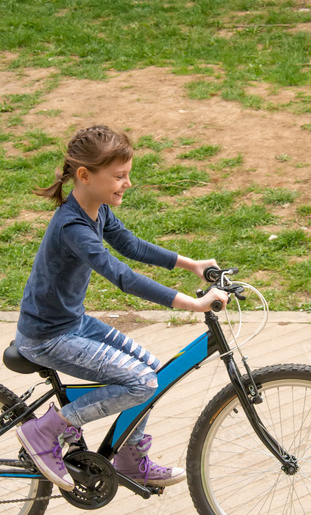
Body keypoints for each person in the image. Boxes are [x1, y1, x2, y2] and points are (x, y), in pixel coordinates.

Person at [14, 125, 228, 491]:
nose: (127, 183)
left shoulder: (96, 210)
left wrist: (190, 264)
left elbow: (130, 246)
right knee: (141, 382)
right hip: (47, 337)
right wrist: (191, 303)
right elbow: (122, 276)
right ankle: (44, 431)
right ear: (85, 176)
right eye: (119, 176)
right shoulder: (72, 227)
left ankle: (128, 458)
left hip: (73, 323)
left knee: (150, 370)